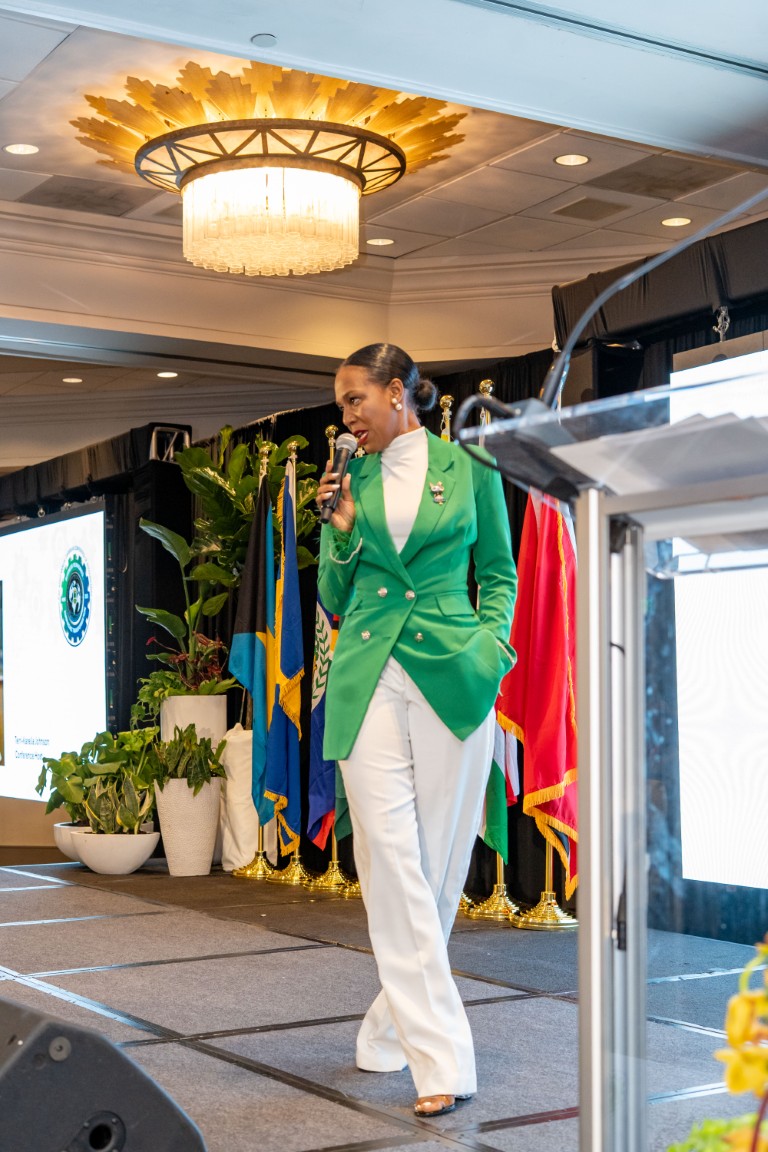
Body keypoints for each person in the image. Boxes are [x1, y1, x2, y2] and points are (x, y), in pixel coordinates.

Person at [316, 343, 517, 1117]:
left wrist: (491, 649)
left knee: (436, 867)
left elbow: (498, 572)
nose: (346, 417)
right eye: (341, 405)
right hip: (367, 675)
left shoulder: (470, 468)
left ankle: (389, 1024)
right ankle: (443, 1060)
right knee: (393, 861)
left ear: (397, 393)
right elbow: (335, 593)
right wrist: (339, 529)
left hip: (453, 672)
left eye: (354, 400)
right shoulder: (350, 480)